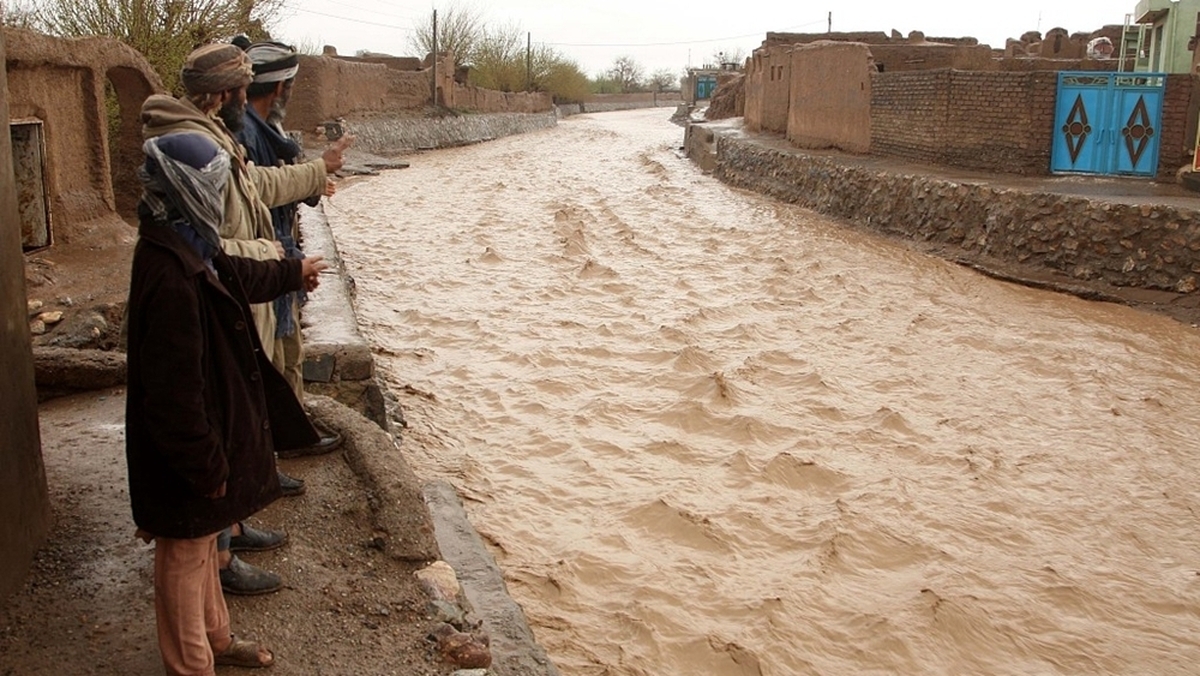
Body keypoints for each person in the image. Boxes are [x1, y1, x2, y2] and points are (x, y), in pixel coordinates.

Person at [140, 42, 343, 595]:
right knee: (222, 419)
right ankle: (221, 557)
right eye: (243, 85)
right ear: (230, 92)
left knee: (237, 413)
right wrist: (278, 261)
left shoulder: (208, 131)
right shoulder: (197, 146)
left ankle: (229, 528)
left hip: (239, 287)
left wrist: (310, 174)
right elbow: (212, 244)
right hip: (228, 294)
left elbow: (249, 192)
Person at [124, 130, 328, 674]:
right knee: (185, 554)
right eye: (213, 185)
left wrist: (291, 272)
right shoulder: (169, 274)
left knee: (200, 548)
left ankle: (216, 641)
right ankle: (192, 665)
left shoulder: (184, 243)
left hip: (204, 440)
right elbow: (173, 398)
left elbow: (234, 274)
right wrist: (204, 464)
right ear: (188, 189)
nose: (219, 196)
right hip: (188, 450)